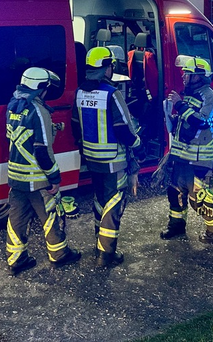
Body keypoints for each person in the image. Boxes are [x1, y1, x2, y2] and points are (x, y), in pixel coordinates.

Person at [4, 67, 82, 275]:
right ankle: (59, 254)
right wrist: (54, 178)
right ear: (40, 88)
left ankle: (17, 259)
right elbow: (42, 151)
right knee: (50, 215)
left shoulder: (14, 106)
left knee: (16, 218)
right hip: (37, 179)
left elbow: (22, 137)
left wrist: (51, 129)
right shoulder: (39, 110)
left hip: (15, 177)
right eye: (46, 88)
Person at [72, 47, 143, 267]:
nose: (112, 69)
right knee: (113, 204)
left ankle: (98, 243)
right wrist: (138, 143)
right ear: (105, 69)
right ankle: (106, 255)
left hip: (92, 160)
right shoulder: (112, 94)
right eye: (110, 65)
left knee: (100, 200)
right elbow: (123, 128)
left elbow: (76, 127)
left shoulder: (80, 92)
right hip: (113, 161)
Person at [159, 56, 213, 243]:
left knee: (198, 198)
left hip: (199, 159)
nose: (184, 77)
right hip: (182, 155)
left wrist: (179, 105)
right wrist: (169, 116)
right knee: (174, 192)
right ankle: (176, 226)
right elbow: (183, 125)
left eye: (187, 74)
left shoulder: (210, 96)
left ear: (199, 76)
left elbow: (201, 121)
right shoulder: (189, 95)